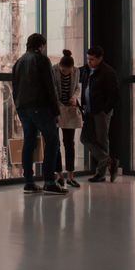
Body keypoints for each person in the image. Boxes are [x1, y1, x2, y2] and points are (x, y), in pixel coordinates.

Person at [11, 33, 67, 194]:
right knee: (52, 141)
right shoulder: (42, 60)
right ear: (41, 46)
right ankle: (49, 181)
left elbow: (15, 87)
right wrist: (56, 111)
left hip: (23, 108)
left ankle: (29, 181)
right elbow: (50, 87)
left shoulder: (18, 62)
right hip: (40, 107)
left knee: (29, 143)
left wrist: (19, 106)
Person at [79, 44, 120, 182]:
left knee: (102, 141)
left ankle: (101, 174)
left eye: (92, 59)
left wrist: (105, 110)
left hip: (101, 112)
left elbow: (114, 94)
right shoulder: (85, 70)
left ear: (100, 59)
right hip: (89, 111)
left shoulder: (108, 72)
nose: (89, 62)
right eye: (87, 59)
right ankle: (108, 161)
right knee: (84, 138)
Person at [55, 50, 83, 189]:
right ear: (59, 66)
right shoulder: (53, 70)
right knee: (55, 144)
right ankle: (59, 175)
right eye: (63, 70)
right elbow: (52, 90)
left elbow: (77, 87)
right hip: (56, 110)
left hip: (70, 110)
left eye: (67, 71)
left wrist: (74, 98)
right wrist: (58, 106)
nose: (65, 73)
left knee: (69, 143)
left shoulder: (76, 71)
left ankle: (70, 176)